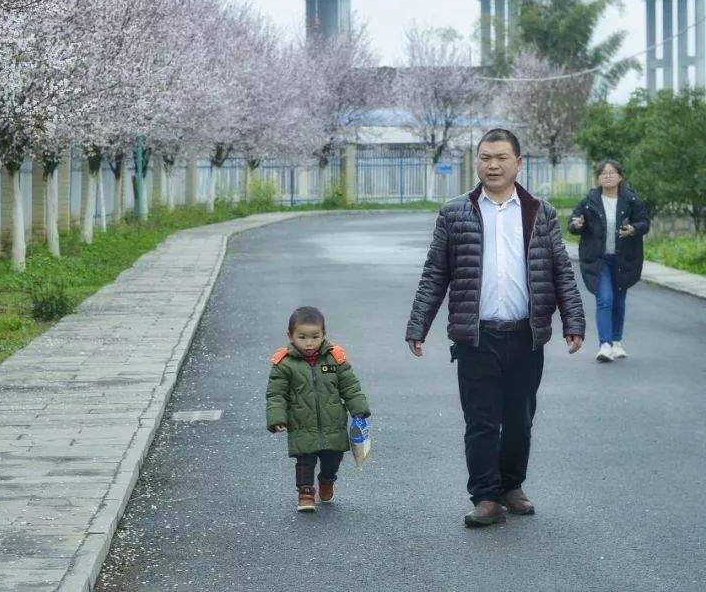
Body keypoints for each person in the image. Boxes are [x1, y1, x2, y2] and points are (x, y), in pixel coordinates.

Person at [405, 128, 585, 528]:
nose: (492, 165)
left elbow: (560, 272)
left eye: (501, 157)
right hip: (477, 336)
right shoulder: (455, 213)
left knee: (520, 418)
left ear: (518, 164)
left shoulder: (541, 212)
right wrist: (418, 325)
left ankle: (510, 485)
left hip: (526, 334)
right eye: (485, 157)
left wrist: (573, 320)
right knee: (482, 419)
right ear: (477, 162)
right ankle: (485, 495)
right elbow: (435, 273)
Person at [266, 306, 371, 513]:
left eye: (315, 336)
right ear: (290, 336)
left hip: (333, 423)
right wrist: (277, 417)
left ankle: (327, 480)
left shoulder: (335, 359)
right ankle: (305, 493)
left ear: (324, 334)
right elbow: (276, 394)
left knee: (333, 458)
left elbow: (349, 386)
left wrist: (358, 409)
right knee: (305, 460)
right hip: (301, 423)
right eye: (302, 337)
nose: (309, 342)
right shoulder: (284, 363)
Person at [568, 159, 650, 362]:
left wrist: (634, 229)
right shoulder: (589, 200)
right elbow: (573, 222)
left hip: (624, 259)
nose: (607, 176)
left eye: (611, 173)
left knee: (619, 302)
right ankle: (604, 344)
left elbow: (644, 223)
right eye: (603, 173)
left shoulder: (631, 200)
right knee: (605, 299)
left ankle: (616, 341)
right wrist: (576, 224)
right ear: (598, 178)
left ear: (620, 176)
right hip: (598, 259)